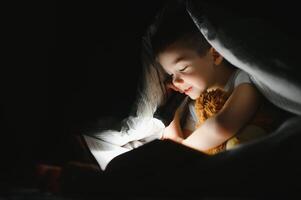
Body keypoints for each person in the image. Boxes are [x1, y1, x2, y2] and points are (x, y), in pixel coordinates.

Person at [149, 3, 263, 153]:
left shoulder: (243, 79)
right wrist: (173, 111)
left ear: (215, 55)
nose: (175, 81)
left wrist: (178, 148)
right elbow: (182, 146)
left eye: (182, 69)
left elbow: (221, 126)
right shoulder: (194, 108)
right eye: (171, 75)